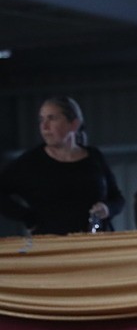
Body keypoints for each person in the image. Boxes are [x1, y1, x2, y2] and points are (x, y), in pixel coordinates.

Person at [0, 96, 125, 235]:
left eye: (52, 118)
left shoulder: (94, 157)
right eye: (41, 120)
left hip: (95, 243)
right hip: (51, 245)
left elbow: (117, 198)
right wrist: (28, 218)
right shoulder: (30, 162)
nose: (44, 127)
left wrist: (107, 209)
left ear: (74, 124)